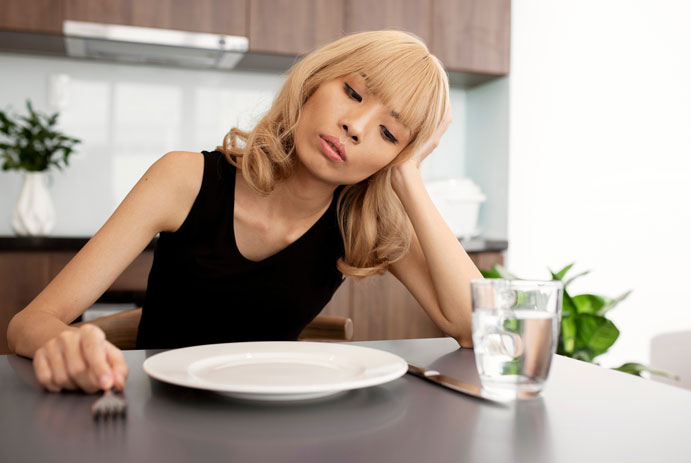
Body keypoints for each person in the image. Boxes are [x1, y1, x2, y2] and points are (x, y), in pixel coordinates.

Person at [6, 30, 483, 394]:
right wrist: (62, 342)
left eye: (389, 135)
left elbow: (474, 329)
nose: (355, 126)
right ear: (315, 82)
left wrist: (409, 176)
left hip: (279, 423)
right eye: (353, 93)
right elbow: (29, 323)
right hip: (159, 417)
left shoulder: (363, 221)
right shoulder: (183, 179)